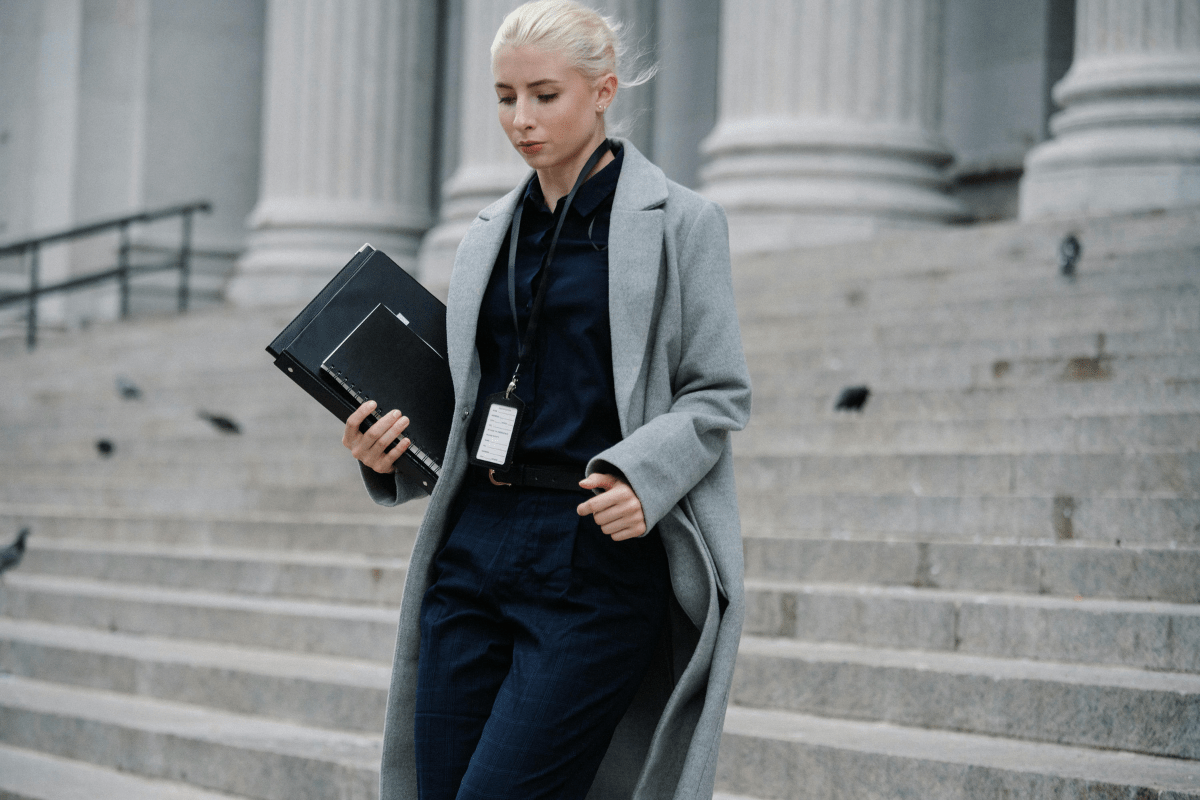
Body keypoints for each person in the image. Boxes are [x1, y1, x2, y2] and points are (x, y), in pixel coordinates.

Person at [342, 2, 751, 798]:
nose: (520, 120)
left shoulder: (683, 223)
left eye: (543, 95)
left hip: (593, 555)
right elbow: (468, 400)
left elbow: (717, 392)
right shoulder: (485, 233)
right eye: (504, 97)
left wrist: (646, 476)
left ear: (603, 92)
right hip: (472, 545)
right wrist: (386, 449)